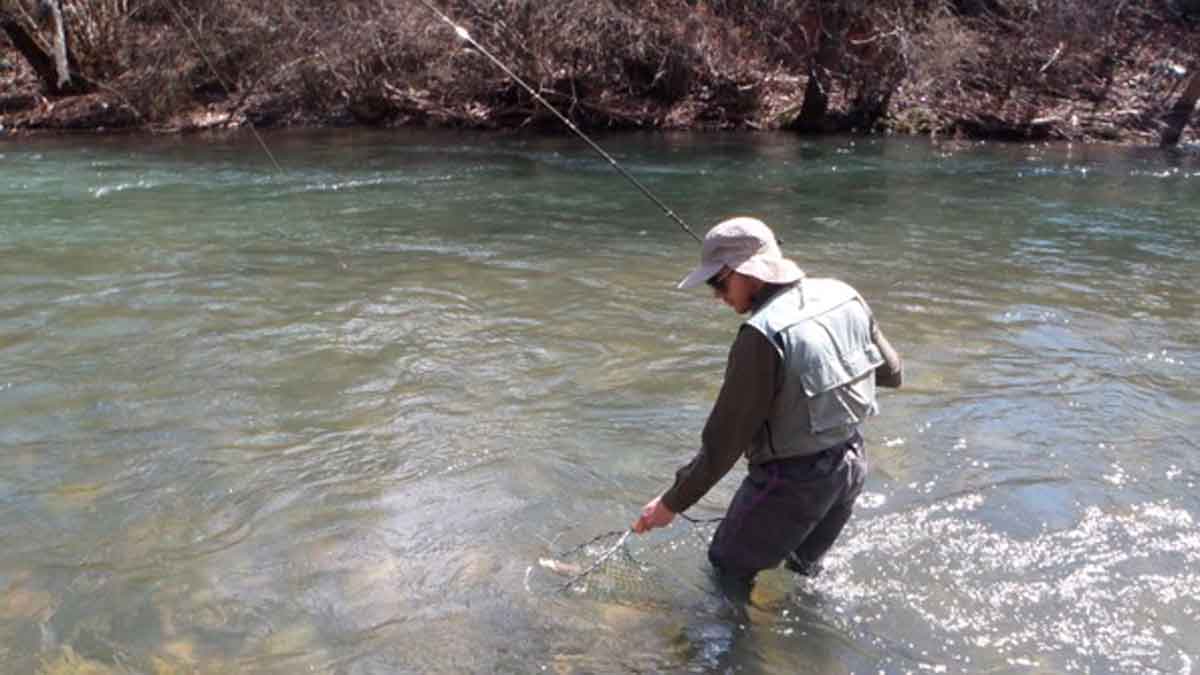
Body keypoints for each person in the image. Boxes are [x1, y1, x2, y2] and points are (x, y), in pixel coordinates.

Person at [632, 216, 902, 590]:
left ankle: (737, 650)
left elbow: (722, 446)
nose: (716, 295)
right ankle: (802, 649)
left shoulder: (760, 335)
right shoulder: (844, 293)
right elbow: (892, 373)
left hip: (791, 481)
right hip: (850, 466)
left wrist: (670, 504)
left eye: (718, 281)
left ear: (748, 274)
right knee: (802, 575)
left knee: (727, 567)